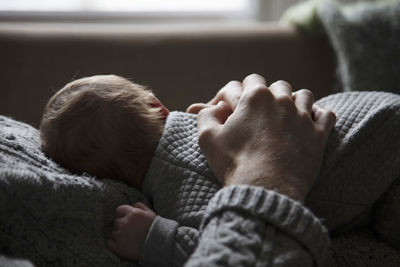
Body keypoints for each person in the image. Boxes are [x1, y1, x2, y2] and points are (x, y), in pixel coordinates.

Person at [39, 74, 400, 266]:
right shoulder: (215, 119)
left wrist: (155, 238)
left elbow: (220, 238)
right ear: (158, 106)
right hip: (372, 115)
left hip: (380, 160)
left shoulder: (175, 191)